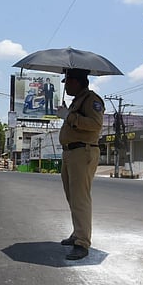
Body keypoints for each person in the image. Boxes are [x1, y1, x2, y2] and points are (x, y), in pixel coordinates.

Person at [56, 68, 104, 260]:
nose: (66, 86)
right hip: (70, 153)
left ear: (77, 81)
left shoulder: (91, 99)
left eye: (67, 82)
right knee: (72, 197)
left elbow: (95, 124)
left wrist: (69, 116)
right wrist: (67, 113)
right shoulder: (78, 101)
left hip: (82, 152)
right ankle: (77, 233)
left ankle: (82, 242)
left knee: (80, 199)